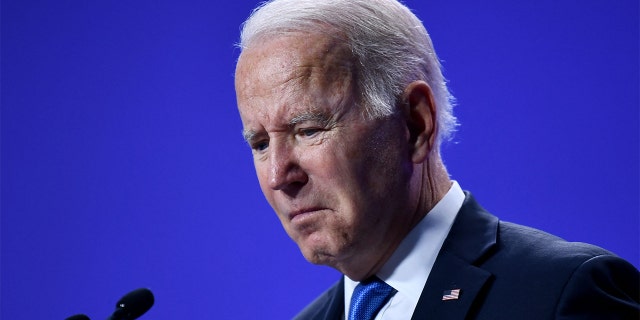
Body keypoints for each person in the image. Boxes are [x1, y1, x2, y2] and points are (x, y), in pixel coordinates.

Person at [233, 0, 640, 318]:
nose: (277, 175)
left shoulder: (562, 294)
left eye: (308, 130)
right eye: (260, 143)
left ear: (414, 124)